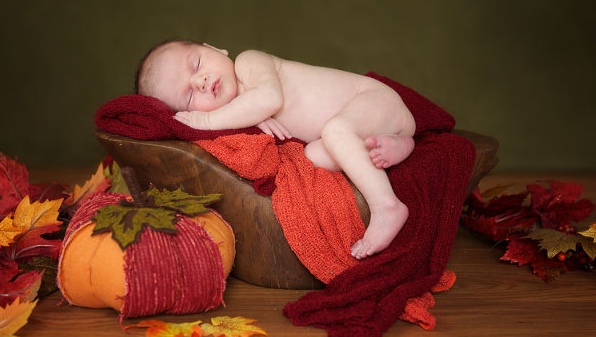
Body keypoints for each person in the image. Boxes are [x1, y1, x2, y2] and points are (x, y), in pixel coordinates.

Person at [134, 40, 416, 259]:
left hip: (372, 99)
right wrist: (251, 113)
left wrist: (204, 119)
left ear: (214, 49)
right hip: (369, 126)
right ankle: (397, 144)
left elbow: (268, 97)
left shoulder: (249, 62)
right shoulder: (241, 110)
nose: (201, 81)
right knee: (312, 157)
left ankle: (387, 206)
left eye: (196, 64)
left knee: (335, 131)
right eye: (190, 95)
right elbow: (257, 107)